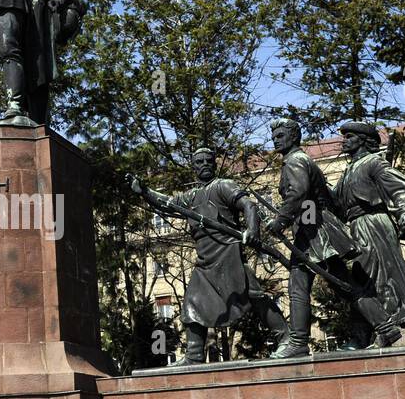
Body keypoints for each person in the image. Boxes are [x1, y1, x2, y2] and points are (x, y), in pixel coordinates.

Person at [131, 148, 287, 364]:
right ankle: (194, 355)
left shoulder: (223, 186)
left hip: (228, 253)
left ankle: (286, 338)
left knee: (254, 295)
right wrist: (145, 191)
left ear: (214, 164)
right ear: (193, 166)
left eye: (208, 160)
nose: (204, 163)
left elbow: (248, 205)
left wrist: (252, 230)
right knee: (191, 302)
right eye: (199, 161)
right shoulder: (192, 195)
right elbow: (167, 204)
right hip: (205, 259)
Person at [332, 122, 405, 347]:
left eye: (349, 136)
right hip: (357, 228)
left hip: (375, 226)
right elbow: (336, 203)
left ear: (363, 140)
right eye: (343, 136)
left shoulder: (373, 163)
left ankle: (378, 333)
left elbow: (399, 187)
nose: (343, 140)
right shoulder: (347, 171)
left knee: (385, 278)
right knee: (369, 279)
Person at [263, 119, 361, 358]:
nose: (276, 139)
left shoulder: (295, 161)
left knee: (298, 284)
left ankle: (298, 341)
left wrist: (280, 221)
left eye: (281, 134)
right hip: (315, 228)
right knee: (342, 284)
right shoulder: (301, 160)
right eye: (274, 135)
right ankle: (381, 325)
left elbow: (298, 194)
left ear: (294, 137)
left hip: (313, 230)